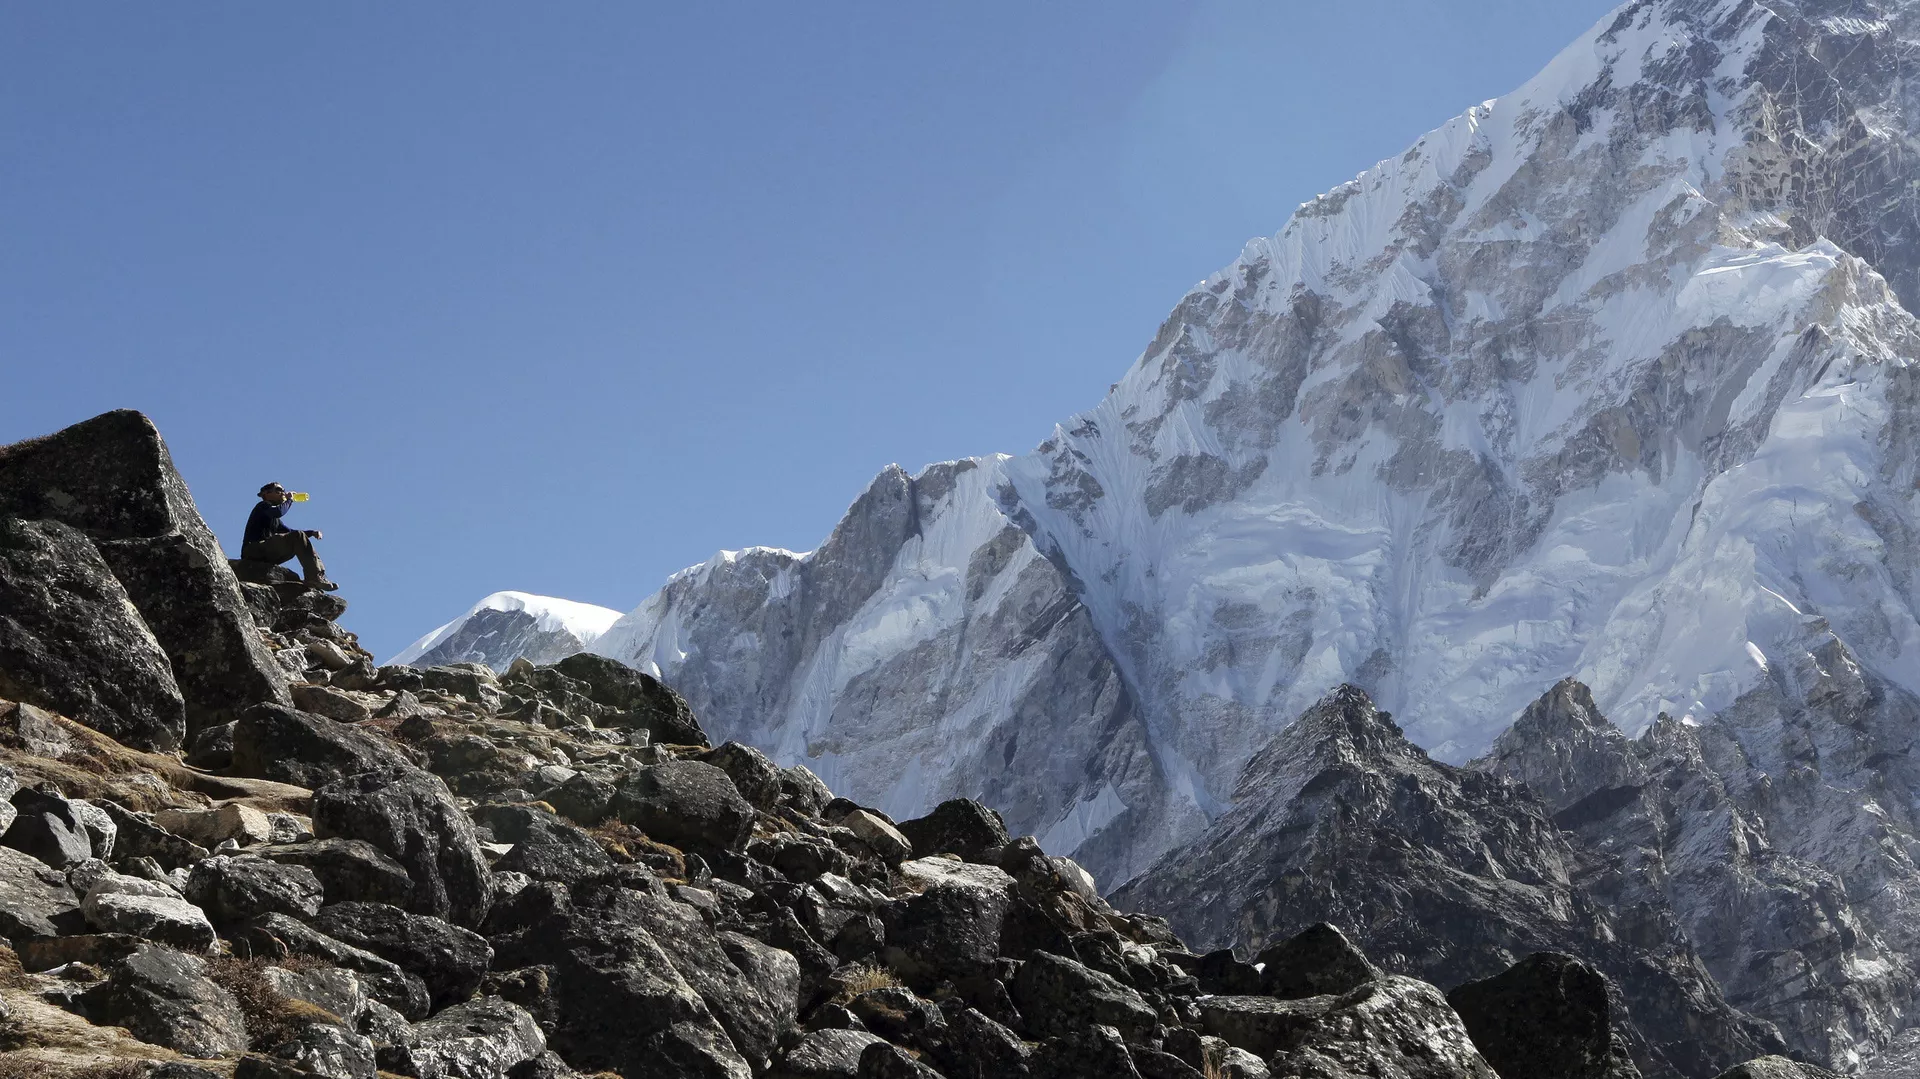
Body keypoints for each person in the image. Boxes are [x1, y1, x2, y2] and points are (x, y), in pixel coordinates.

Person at [242, 482, 338, 591]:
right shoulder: (263, 506)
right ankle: (313, 577)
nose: (282, 492)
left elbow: (290, 532)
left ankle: (318, 576)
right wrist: (289, 500)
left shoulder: (274, 519)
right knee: (297, 537)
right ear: (266, 494)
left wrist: (311, 533)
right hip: (253, 549)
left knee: (297, 539)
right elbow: (279, 512)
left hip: (264, 552)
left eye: (283, 490)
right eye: (278, 490)